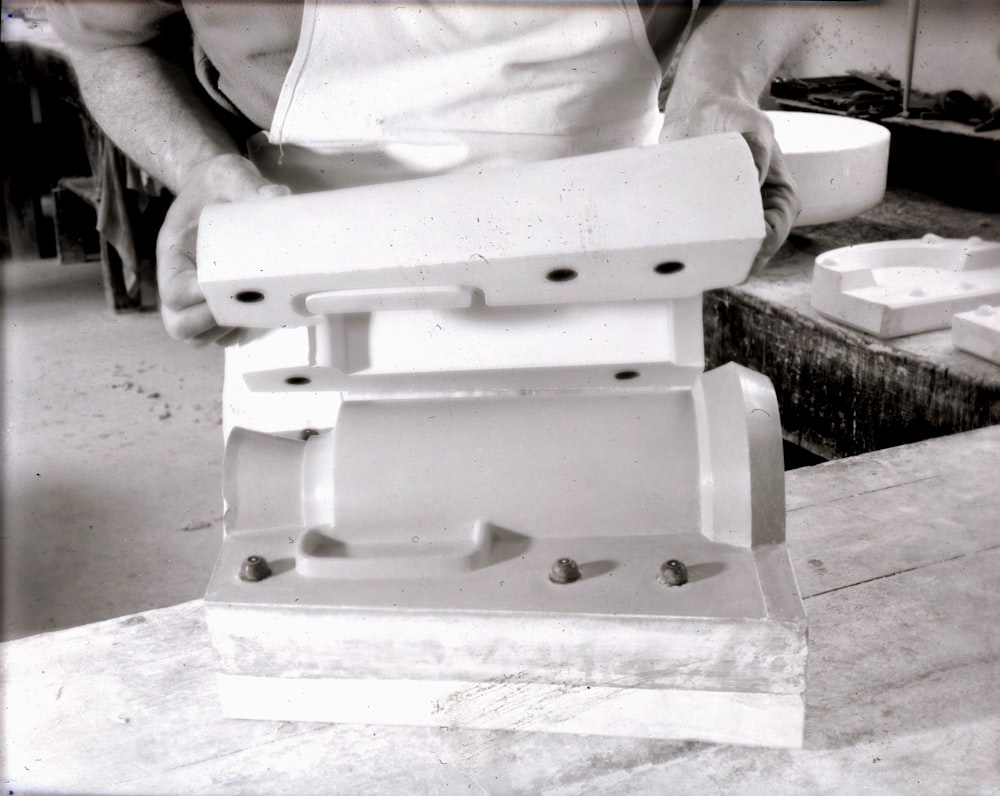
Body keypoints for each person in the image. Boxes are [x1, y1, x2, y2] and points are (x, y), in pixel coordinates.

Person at [48, 1, 809, 346]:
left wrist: (720, 87)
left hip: (618, 256)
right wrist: (202, 169)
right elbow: (104, 41)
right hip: (307, 284)